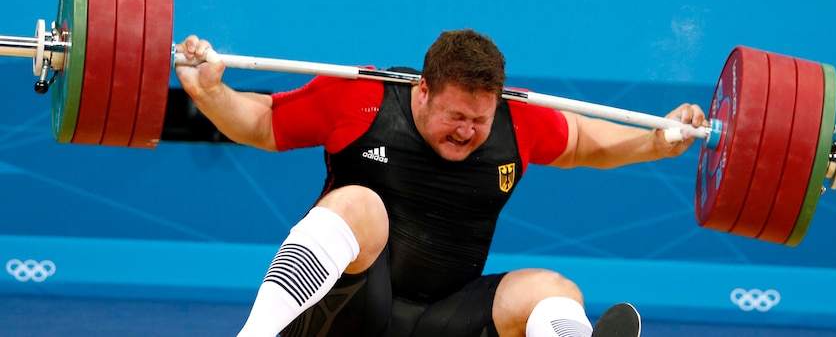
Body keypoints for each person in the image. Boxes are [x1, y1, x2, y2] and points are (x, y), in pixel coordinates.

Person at [175, 29, 707, 337]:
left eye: (480, 119)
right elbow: (264, 122)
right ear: (423, 90)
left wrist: (657, 142)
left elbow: (584, 142)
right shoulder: (360, 98)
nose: (469, 131)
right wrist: (209, 93)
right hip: (347, 314)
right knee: (361, 203)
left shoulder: (515, 120)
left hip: (440, 319)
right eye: (456, 116)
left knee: (554, 291)